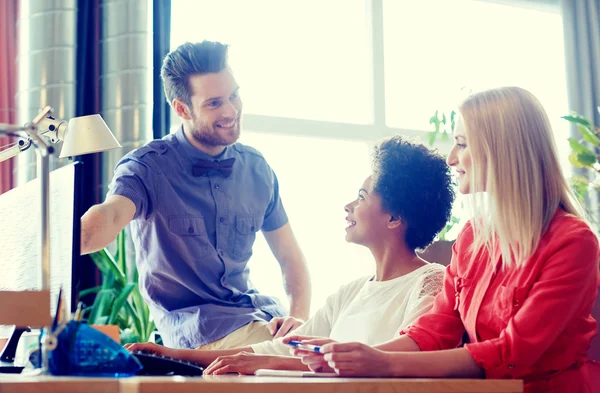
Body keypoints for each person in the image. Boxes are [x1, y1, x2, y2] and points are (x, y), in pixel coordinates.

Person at [289, 87, 600, 393]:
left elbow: (512, 354)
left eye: (462, 145)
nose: (452, 158)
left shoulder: (573, 242)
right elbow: (433, 332)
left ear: (502, 151)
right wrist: (354, 358)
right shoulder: (472, 238)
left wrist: (381, 363)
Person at [125, 135, 456, 375]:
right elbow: (281, 348)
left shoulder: (430, 282)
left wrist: (266, 362)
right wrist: (169, 353)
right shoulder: (350, 293)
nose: (349, 206)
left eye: (361, 197)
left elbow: (409, 362)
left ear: (395, 218)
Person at [80, 40, 312, 349]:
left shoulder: (257, 169)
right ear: (181, 109)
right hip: (196, 330)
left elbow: (290, 258)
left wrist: (298, 317)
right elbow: (111, 215)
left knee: (340, 347)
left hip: (259, 317)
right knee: (297, 361)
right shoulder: (147, 168)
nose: (231, 110)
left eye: (234, 95)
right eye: (214, 103)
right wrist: (74, 237)